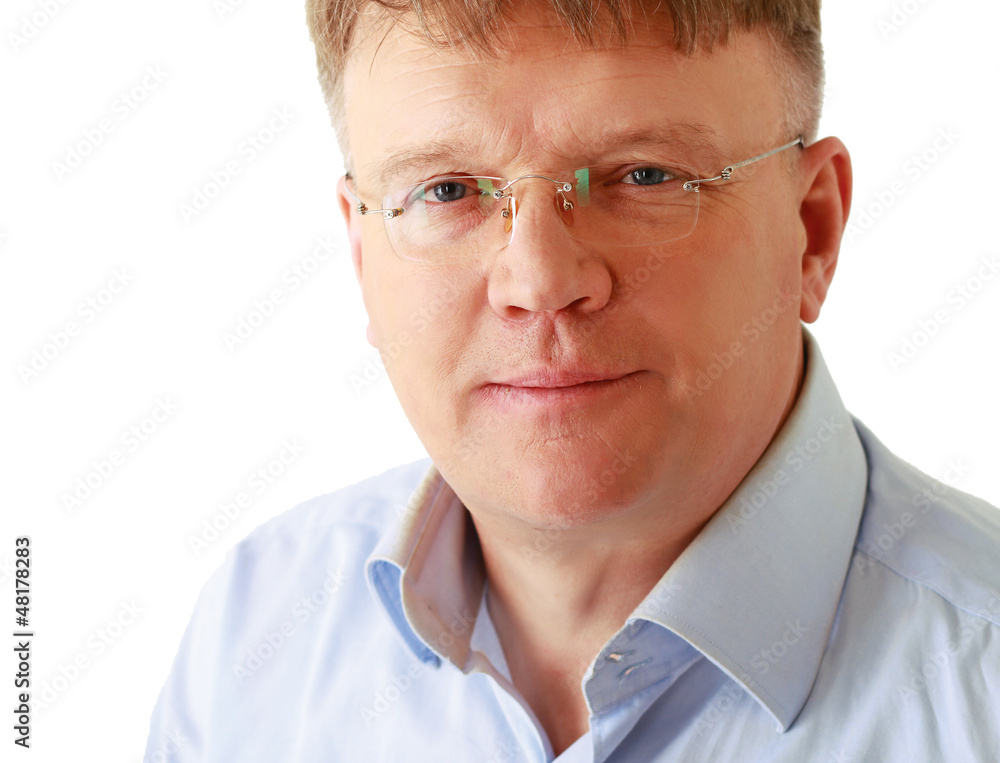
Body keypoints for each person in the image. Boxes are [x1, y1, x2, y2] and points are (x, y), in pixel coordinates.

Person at [145, 0, 1000, 760]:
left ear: (811, 231)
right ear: (363, 253)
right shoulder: (249, 643)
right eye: (448, 190)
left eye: (645, 176)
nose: (539, 280)